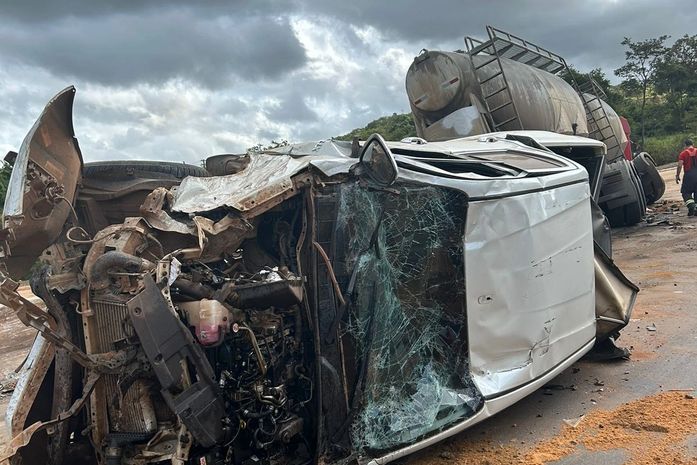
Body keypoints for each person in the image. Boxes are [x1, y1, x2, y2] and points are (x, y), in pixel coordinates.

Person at [676, 139, 697, 216]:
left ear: (685, 145)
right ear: (693, 144)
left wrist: (677, 176)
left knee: (686, 192)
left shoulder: (683, 153)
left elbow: (679, 165)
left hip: (689, 175)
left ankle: (691, 207)